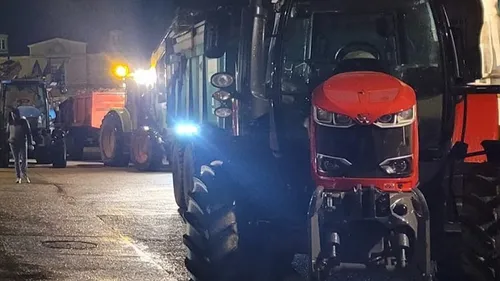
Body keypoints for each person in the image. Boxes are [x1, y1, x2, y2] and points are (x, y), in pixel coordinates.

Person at [7, 108, 35, 183]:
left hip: (22, 142)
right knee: (16, 160)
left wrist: (30, 143)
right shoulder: (10, 122)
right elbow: (8, 132)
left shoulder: (23, 121)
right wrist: (8, 140)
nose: (13, 116)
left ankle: (24, 174)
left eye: (14, 114)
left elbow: (28, 133)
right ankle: (18, 176)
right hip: (13, 142)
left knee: (24, 159)